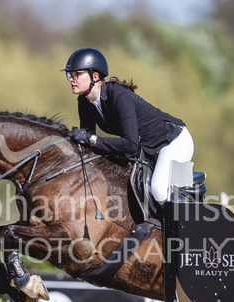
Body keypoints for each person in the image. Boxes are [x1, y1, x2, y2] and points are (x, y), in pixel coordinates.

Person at [63, 47, 194, 204]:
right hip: (147, 148)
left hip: (173, 141)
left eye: (77, 74)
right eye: (70, 75)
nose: (71, 79)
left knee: (159, 189)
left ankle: (186, 214)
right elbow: (88, 140)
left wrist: (91, 139)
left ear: (95, 76)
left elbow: (130, 144)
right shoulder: (84, 102)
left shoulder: (118, 95)